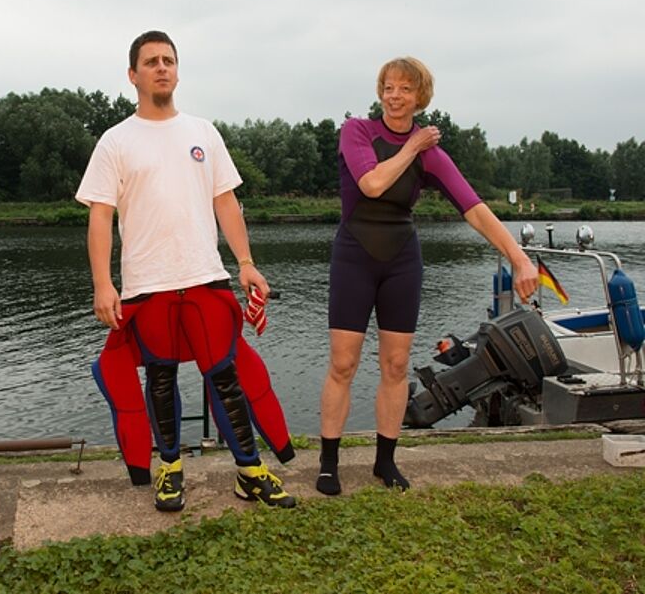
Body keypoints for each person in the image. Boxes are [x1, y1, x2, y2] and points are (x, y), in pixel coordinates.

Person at [76, 31, 296, 512]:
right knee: (160, 377)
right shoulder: (116, 141)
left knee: (225, 375)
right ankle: (170, 470)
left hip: (204, 276)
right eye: (151, 61)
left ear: (177, 70)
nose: (162, 67)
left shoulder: (203, 132)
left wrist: (246, 263)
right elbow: (100, 216)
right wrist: (102, 282)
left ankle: (250, 471)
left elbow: (226, 201)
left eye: (169, 60)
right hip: (146, 283)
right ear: (133, 75)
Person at [317, 57, 538, 496]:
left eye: (404, 89)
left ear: (420, 97)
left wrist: (519, 259)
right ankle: (328, 463)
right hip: (354, 254)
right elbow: (372, 185)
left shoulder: (431, 154)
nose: (394, 96)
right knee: (343, 363)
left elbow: (473, 208)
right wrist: (413, 148)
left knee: (396, 365)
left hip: (401, 258)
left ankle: (385, 461)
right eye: (388, 88)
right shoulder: (357, 131)